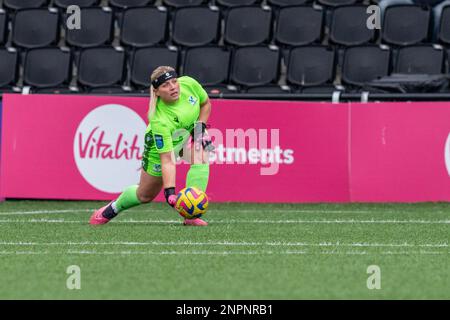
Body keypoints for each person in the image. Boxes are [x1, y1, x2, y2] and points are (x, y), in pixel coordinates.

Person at [89, 66, 213, 226]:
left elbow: (205, 104)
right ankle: (110, 209)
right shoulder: (159, 120)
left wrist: (199, 129)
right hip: (158, 147)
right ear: (157, 92)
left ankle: (190, 215)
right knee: (145, 195)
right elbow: (168, 160)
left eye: (174, 81)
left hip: (186, 132)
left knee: (204, 152)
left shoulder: (189, 84)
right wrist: (170, 192)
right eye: (166, 85)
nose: (173, 87)